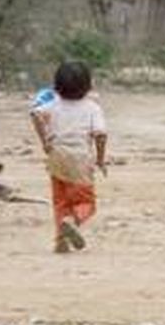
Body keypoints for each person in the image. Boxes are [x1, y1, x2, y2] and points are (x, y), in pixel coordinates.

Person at [30, 61, 108, 254]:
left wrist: (45, 141)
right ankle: (72, 221)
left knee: (61, 201)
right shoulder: (92, 108)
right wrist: (100, 159)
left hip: (56, 156)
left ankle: (60, 241)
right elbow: (100, 135)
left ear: (56, 85)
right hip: (80, 158)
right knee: (86, 203)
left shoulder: (52, 105)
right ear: (89, 86)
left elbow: (35, 114)